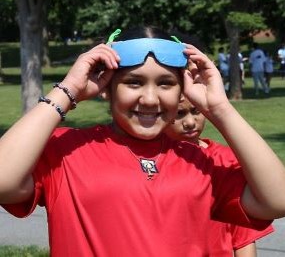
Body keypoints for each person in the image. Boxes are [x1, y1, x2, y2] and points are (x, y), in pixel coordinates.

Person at [1, 26, 285, 256]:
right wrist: (68, 90)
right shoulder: (66, 150)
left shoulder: (204, 162)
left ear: (183, 89)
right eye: (133, 82)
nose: (150, 99)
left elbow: (277, 199)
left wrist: (220, 109)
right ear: (106, 86)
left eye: (165, 83)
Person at [165, 96, 274, 257]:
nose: (190, 122)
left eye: (196, 111)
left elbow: (244, 238)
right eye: (179, 114)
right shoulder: (151, 162)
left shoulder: (225, 159)